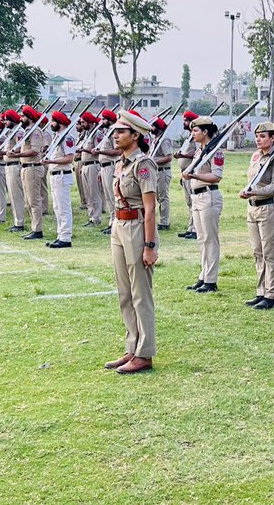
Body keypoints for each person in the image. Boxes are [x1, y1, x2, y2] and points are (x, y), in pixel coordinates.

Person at [103, 111, 160, 375]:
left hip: (137, 226)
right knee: (124, 292)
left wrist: (150, 246)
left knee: (140, 293)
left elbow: (150, 210)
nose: (115, 135)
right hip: (119, 225)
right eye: (115, 131)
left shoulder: (143, 164)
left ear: (136, 135)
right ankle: (132, 346)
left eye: (121, 132)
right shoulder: (122, 163)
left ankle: (145, 353)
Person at [242, 122, 274, 309]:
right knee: (258, 252)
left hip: (269, 207)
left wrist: (253, 192)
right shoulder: (255, 156)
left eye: (263, 136)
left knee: (270, 253)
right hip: (253, 208)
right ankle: (261, 291)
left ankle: (271, 295)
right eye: (257, 136)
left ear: (273, 138)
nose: (258, 140)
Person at [182, 116, 224, 293]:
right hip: (197, 197)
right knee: (201, 239)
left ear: (205, 132)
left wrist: (194, 176)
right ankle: (203, 275)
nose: (193, 133)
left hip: (209, 196)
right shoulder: (200, 150)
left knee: (210, 239)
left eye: (196, 130)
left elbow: (216, 176)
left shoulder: (215, 151)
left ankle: (211, 280)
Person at [43, 111, 78, 248]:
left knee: (63, 207)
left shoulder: (67, 138)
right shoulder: (57, 137)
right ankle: (60, 235)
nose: (51, 124)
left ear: (60, 122)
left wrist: (51, 161)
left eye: (53, 121)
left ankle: (66, 237)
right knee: (57, 207)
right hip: (55, 175)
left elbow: (69, 158)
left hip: (62, 175)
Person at [16, 106, 46, 240]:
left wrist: (19, 154)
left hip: (33, 167)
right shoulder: (27, 131)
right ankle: (34, 227)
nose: (20, 118)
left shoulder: (35, 131)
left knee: (34, 200)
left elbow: (34, 150)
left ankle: (37, 230)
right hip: (26, 167)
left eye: (22, 116)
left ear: (29, 117)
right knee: (28, 200)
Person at [94, 109, 123, 234]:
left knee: (113, 196)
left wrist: (100, 152)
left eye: (104, 119)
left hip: (111, 166)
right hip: (104, 167)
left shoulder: (114, 134)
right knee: (108, 197)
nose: (102, 121)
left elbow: (118, 151)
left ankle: (116, 222)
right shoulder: (107, 132)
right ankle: (112, 221)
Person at [1, 109, 29, 233]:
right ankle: (16, 221)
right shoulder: (11, 132)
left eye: (7, 119)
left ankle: (19, 223)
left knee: (16, 195)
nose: (5, 122)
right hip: (8, 165)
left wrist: (11, 152)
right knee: (11, 195)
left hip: (14, 165)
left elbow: (20, 148)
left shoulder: (19, 132)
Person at [79, 112, 106, 228]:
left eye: (83, 122)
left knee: (94, 192)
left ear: (90, 122)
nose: (82, 124)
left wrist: (83, 150)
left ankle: (96, 218)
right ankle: (91, 216)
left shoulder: (97, 134)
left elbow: (97, 150)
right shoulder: (87, 134)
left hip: (93, 165)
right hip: (85, 165)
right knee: (88, 193)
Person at [175, 111, 200, 240]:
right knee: (189, 202)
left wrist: (182, 156)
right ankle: (191, 227)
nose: (184, 123)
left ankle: (196, 229)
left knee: (194, 202)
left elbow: (198, 154)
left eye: (186, 121)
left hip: (192, 173)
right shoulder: (189, 137)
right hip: (185, 173)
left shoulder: (196, 138)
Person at [150, 117, 174, 231]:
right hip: (155, 172)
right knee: (156, 197)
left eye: (153, 126)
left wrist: (154, 161)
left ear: (158, 127)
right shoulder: (155, 139)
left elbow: (168, 157)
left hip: (162, 172)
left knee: (163, 197)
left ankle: (164, 222)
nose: (151, 128)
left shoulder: (164, 140)